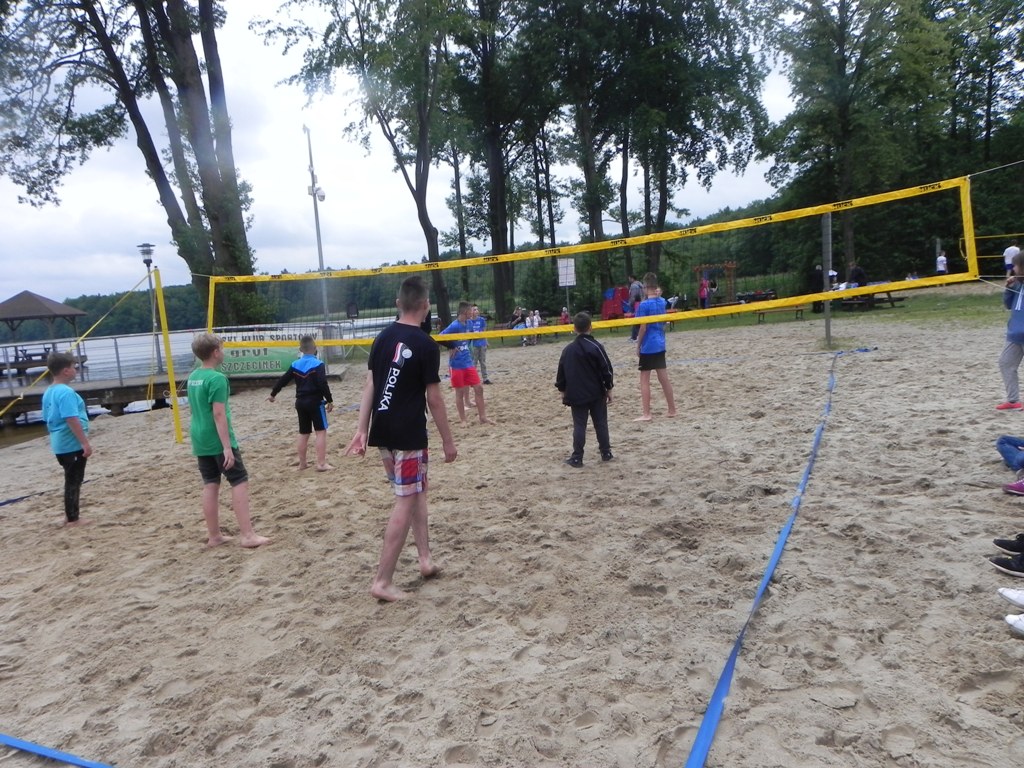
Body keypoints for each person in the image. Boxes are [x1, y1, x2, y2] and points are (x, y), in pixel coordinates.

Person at [344, 275, 458, 601]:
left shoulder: (382, 338)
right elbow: (434, 399)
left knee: (416, 491)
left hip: (383, 432)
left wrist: (362, 429)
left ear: (398, 304)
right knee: (405, 501)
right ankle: (382, 581)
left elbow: (370, 385)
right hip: (409, 434)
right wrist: (448, 441)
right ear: (426, 306)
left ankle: (425, 560)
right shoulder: (425, 344)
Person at [186, 333, 271, 548]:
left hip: (199, 437)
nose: (223, 352)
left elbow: (196, 409)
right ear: (215, 352)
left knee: (210, 484)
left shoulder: (193, 376)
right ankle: (248, 535)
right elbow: (218, 414)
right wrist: (226, 447)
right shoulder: (217, 379)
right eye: (221, 349)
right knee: (239, 480)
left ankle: (214, 536)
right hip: (216, 439)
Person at [267, 335, 335, 471]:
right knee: (320, 432)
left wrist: (273, 394)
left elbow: (283, 380)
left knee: (304, 433)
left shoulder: (295, 364)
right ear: (315, 348)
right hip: (315, 402)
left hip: (300, 403)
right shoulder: (318, 364)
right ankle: (321, 464)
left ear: (300, 349)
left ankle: (302, 464)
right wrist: (329, 400)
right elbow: (322, 383)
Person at [555, 312, 614, 467]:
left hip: (576, 393)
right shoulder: (596, 347)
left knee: (579, 425)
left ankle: (577, 457)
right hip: (596, 392)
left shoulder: (568, 350)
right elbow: (607, 370)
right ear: (590, 327)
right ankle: (606, 452)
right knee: (600, 423)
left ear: (574, 328)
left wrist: (562, 390)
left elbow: (561, 373)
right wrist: (609, 387)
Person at [42, 351, 93, 527]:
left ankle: (69, 516)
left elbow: (48, 418)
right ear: (65, 370)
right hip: (70, 443)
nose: (75, 370)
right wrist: (84, 442)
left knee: (71, 479)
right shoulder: (65, 392)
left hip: (60, 443)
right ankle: (73, 519)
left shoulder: (49, 391)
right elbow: (71, 418)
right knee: (74, 480)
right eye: (73, 367)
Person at [440, 301, 494, 424]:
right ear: (465, 312)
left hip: (468, 362)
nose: (473, 312)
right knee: (459, 393)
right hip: (456, 364)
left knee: (479, 388)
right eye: (471, 310)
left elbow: (470, 337)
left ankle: (483, 417)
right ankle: (463, 420)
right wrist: (451, 346)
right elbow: (440, 337)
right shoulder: (454, 325)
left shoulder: (469, 323)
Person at [634, 272, 677, 421]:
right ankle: (672, 410)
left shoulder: (644, 305)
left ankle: (647, 414)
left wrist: (638, 345)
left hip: (648, 345)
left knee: (644, 380)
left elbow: (643, 328)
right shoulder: (662, 301)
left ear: (645, 287)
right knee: (664, 378)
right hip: (660, 343)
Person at [998, 251, 1024, 411]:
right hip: (1015, 334)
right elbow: (1008, 305)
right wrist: (1008, 288)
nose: (1013, 268)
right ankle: (1013, 401)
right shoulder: (1018, 285)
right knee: (1005, 363)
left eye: (1015, 265)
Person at [468, 304, 491, 384]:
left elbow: (484, 332)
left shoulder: (482, 320)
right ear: (471, 311)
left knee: (483, 362)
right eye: (474, 309)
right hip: (474, 344)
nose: (476, 311)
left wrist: (486, 341)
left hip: (482, 343)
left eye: (477, 309)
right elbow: (468, 333)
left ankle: (485, 378)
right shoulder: (469, 321)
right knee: (474, 362)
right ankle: (473, 379)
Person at [628, 274, 644, 341]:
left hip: (635, 305)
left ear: (632, 278)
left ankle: (634, 336)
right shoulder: (640, 285)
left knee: (635, 320)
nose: (629, 280)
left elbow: (633, 297)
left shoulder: (634, 286)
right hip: (641, 304)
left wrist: (630, 304)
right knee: (640, 320)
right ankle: (635, 336)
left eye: (629, 278)